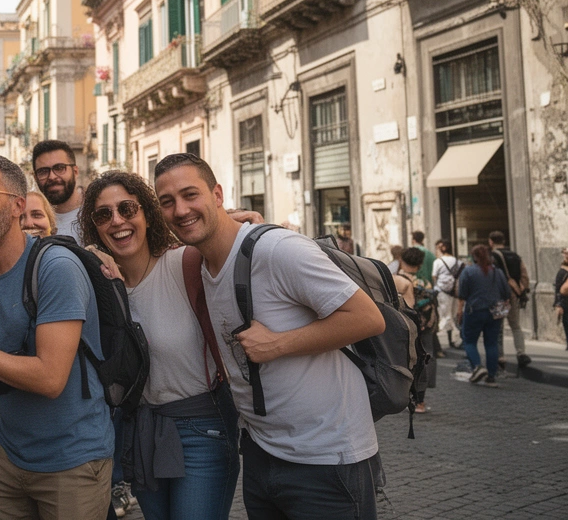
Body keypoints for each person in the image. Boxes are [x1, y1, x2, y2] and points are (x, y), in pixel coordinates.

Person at [153, 153, 386, 520]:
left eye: (190, 194)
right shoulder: (201, 263)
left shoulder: (277, 249)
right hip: (262, 454)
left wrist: (278, 344)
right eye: (167, 202)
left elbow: (367, 318)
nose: (180, 210)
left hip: (326, 457)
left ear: (217, 194)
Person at [0, 153, 114, 520]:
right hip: (10, 455)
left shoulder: (56, 268)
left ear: (17, 206)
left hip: (72, 461)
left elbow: (50, 378)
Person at [79, 172, 236, 520]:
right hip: (141, 431)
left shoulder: (185, 263)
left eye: (127, 208)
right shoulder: (98, 287)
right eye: (103, 215)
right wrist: (89, 256)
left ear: (148, 215)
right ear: (95, 227)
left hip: (202, 428)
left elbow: (226, 239)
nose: (117, 220)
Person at [455, 244, 511, 387]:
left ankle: (478, 366)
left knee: (469, 340)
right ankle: (491, 376)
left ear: (474, 256)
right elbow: (506, 293)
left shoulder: (468, 271)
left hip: (474, 310)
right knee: (491, 343)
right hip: (494, 312)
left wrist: (460, 311)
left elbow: (462, 294)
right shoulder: (497, 272)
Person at [395, 248, 437, 413]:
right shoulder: (425, 283)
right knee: (425, 357)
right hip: (425, 324)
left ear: (402, 261)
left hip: (406, 325)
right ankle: (420, 400)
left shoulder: (397, 279)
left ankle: (403, 396)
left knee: (405, 359)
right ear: (419, 265)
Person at [488, 231, 531, 369]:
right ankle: (521, 352)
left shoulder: (492, 256)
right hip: (514, 294)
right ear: (504, 241)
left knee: (498, 326)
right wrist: (521, 290)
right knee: (515, 325)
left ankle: (500, 356)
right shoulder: (515, 256)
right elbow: (524, 275)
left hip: (500, 296)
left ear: (491, 242)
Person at [31, 140, 84, 242]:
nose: (52, 177)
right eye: (43, 171)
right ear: (35, 177)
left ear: (75, 172)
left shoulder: (98, 213)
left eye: (59, 168)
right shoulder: (29, 221)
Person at [432, 239, 462, 353]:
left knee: (444, 315)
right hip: (454, 292)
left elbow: (434, 276)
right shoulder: (458, 262)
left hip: (442, 291)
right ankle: (452, 340)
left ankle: (439, 341)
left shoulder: (438, 262)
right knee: (452, 315)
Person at [554, 248, 568, 351]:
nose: (566, 255)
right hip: (565, 301)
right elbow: (558, 289)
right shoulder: (562, 271)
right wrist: (558, 304)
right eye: (565, 253)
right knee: (566, 321)